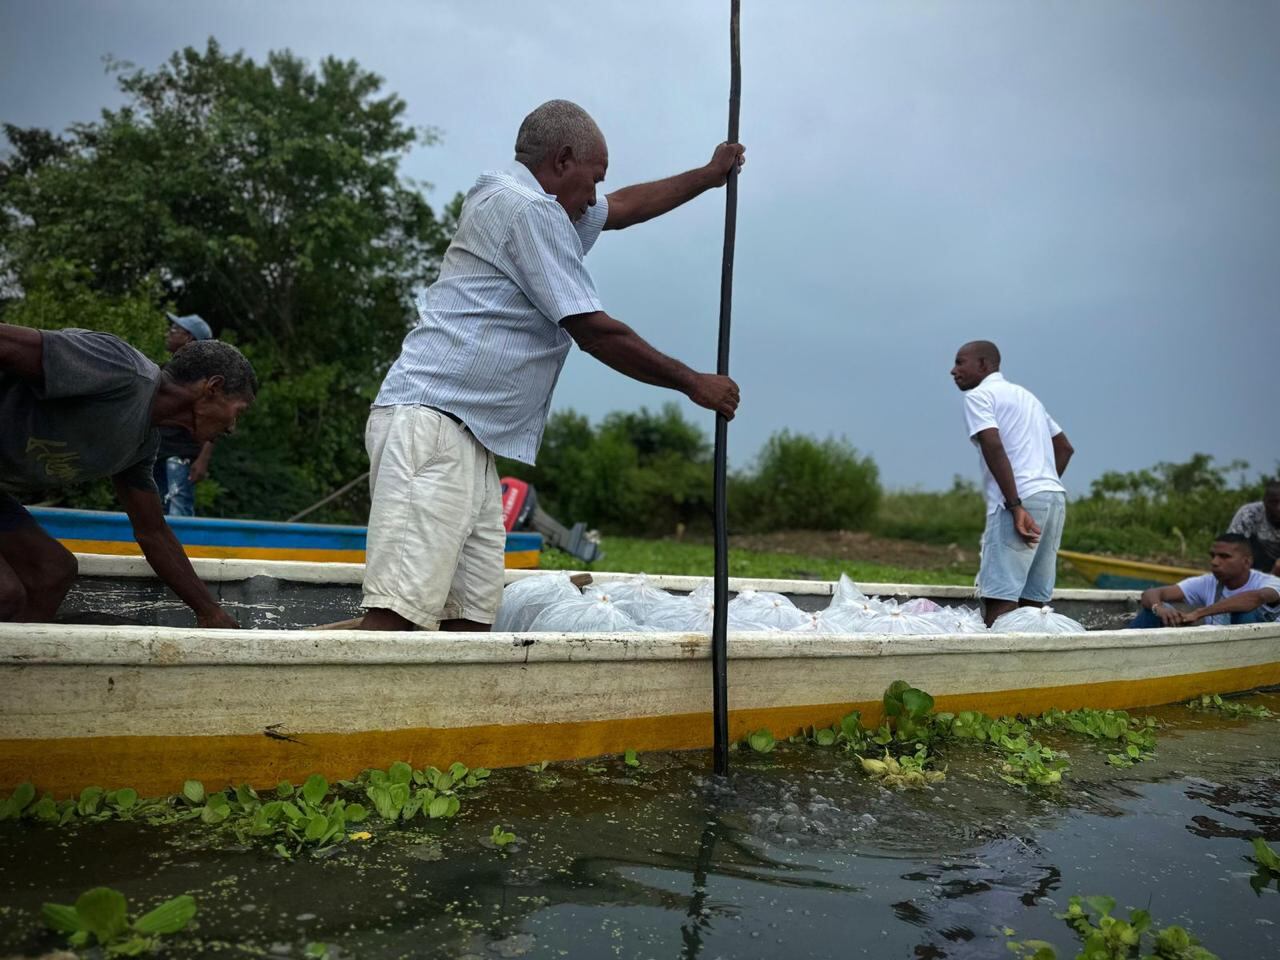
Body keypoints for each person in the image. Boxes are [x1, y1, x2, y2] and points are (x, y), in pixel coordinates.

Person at [360, 99, 743, 632]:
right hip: (431, 428)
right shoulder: (528, 208)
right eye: (593, 179)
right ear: (562, 160)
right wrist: (693, 383)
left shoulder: (535, 204)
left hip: (471, 442)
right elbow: (593, 331)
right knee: (398, 619)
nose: (593, 198)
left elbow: (623, 208)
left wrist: (706, 177)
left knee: (470, 622)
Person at [0, 322, 256, 626]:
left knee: (52, 572)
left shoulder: (141, 446)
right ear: (212, 388)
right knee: (6, 593)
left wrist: (208, 612)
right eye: (237, 412)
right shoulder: (120, 370)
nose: (231, 428)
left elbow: (153, 533)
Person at [950, 340, 1075, 626]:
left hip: (1019, 502)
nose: (953, 370)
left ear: (983, 364)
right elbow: (1065, 448)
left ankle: (994, 671)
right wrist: (1041, 485)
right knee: (1033, 602)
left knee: (1001, 599)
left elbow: (993, 446)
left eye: (960, 362)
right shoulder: (1028, 397)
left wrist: (1017, 504)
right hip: (1053, 497)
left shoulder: (979, 397)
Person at [1128, 533, 1279, 628]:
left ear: (1247, 562)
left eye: (1224, 557)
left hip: (1255, 652)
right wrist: (1159, 608)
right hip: (1217, 653)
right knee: (1154, 611)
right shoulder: (1207, 582)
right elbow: (1151, 593)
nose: (1215, 562)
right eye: (1213, 556)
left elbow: (1255, 598)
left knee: (1244, 613)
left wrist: (1199, 613)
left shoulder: (1270, 582)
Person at [153, 313, 217, 516]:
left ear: (188, 338)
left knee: (178, 509)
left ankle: (182, 548)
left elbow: (215, 419)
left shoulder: (203, 377)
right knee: (156, 511)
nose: (167, 334)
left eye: (173, 330)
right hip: (156, 451)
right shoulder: (166, 370)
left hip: (179, 456)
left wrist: (203, 459)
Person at [1227, 479, 1280, 576]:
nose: (1278, 508)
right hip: (1249, 573)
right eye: (1274, 502)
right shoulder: (1249, 514)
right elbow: (1230, 548)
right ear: (1264, 501)